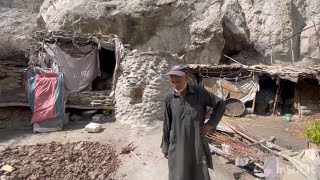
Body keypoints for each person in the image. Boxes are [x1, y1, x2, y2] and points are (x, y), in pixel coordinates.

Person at [161, 64, 225, 180]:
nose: (175, 85)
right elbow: (166, 123)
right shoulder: (169, 98)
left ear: (186, 77)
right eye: (172, 82)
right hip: (177, 143)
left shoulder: (200, 93)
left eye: (178, 81)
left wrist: (210, 124)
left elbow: (220, 105)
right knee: (178, 173)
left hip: (196, 142)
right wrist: (165, 146)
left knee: (198, 172)